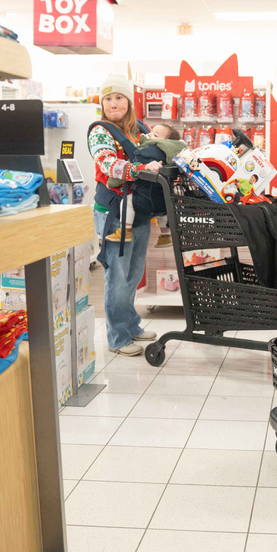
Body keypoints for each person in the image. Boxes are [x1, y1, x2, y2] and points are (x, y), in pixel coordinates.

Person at [89, 74, 162, 357]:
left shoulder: (138, 128)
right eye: (107, 99)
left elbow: (159, 147)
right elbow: (107, 163)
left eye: (118, 97)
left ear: (129, 101)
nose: (113, 103)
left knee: (133, 272)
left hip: (139, 208)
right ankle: (118, 337)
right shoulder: (100, 131)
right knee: (117, 275)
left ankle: (131, 324)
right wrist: (138, 171)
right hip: (115, 210)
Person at [105, 122, 186, 247]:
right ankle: (165, 235)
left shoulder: (147, 151)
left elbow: (129, 168)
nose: (149, 134)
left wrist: (111, 182)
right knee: (162, 211)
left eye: (154, 134)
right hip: (164, 199)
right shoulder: (175, 155)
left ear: (165, 141)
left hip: (144, 200)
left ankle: (125, 231)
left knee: (128, 202)